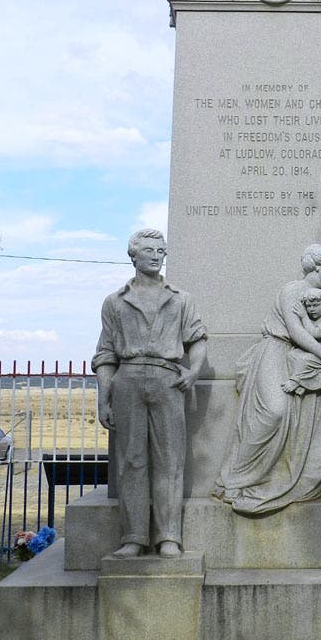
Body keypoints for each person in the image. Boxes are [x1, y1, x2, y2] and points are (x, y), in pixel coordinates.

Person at [214, 243, 321, 514]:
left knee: (283, 412)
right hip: (275, 350)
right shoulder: (293, 291)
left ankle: (260, 478)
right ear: (317, 265)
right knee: (273, 412)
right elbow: (295, 331)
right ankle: (234, 479)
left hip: (299, 360)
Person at [92, 229, 207, 557]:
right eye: (150, 250)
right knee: (131, 461)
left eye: (161, 250)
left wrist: (194, 370)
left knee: (170, 461)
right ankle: (134, 537)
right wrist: (104, 398)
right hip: (127, 380)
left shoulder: (181, 298)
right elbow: (105, 354)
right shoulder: (115, 302)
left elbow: (197, 338)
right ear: (134, 256)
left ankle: (169, 536)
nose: (157, 255)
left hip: (167, 379)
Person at [281, 288, 321, 396]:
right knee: (292, 355)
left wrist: (303, 317)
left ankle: (296, 381)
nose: (312, 309)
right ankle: (305, 384)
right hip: (316, 354)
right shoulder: (314, 319)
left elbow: (314, 333)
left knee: (304, 360)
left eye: (316, 305)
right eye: (308, 306)